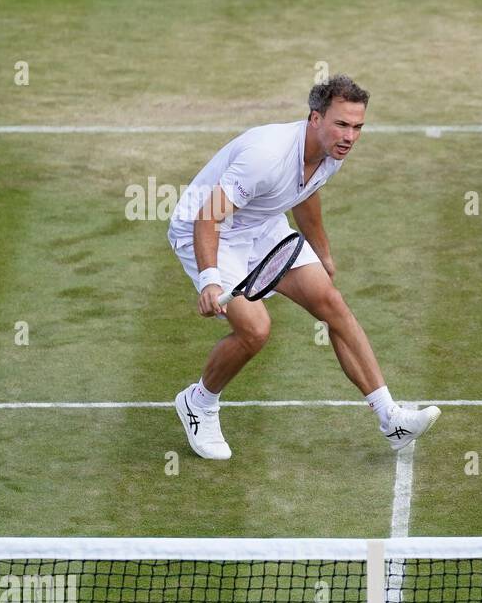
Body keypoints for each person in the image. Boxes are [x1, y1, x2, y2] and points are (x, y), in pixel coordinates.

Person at [166, 75, 439, 460]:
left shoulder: (331, 155)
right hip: (212, 231)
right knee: (255, 330)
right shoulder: (266, 156)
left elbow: (304, 194)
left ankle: (390, 418)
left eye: (358, 127)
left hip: (261, 225)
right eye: (341, 124)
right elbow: (207, 218)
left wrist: (322, 251)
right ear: (315, 119)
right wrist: (210, 279)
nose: (349, 136)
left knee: (332, 304)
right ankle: (199, 402)